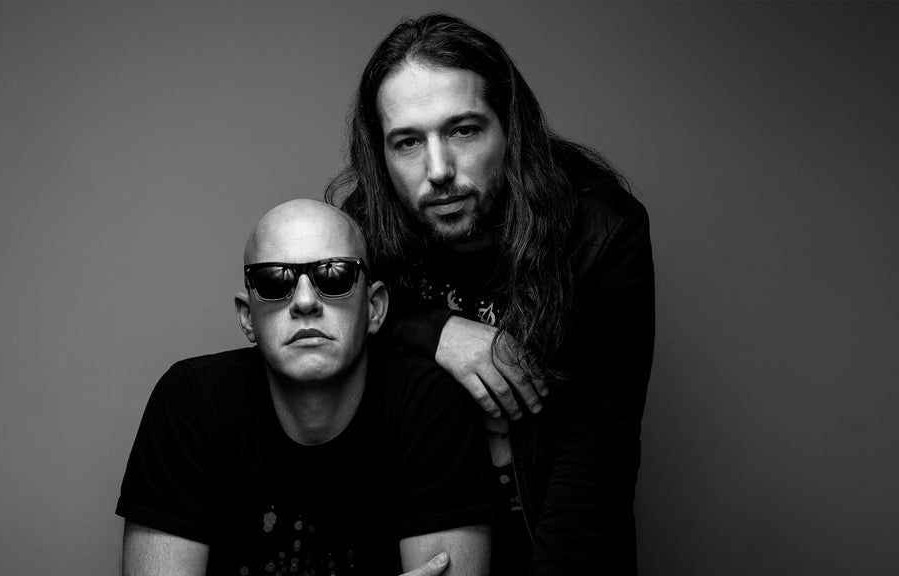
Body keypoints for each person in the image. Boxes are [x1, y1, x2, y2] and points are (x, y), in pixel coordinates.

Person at [327, 13, 655, 575]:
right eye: (407, 141)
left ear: (509, 129)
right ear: (380, 154)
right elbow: (330, 339)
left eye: (463, 130)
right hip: (417, 543)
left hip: (554, 542)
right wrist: (437, 332)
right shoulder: (365, 226)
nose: (438, 171)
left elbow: (598, 448)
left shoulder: (599, 232)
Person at [116, 200, 497, 576]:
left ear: (375, 307)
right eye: (273, 281)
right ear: (247, 318)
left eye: (335, 275)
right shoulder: (192, 400)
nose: (304, 301)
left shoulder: (427, 402)